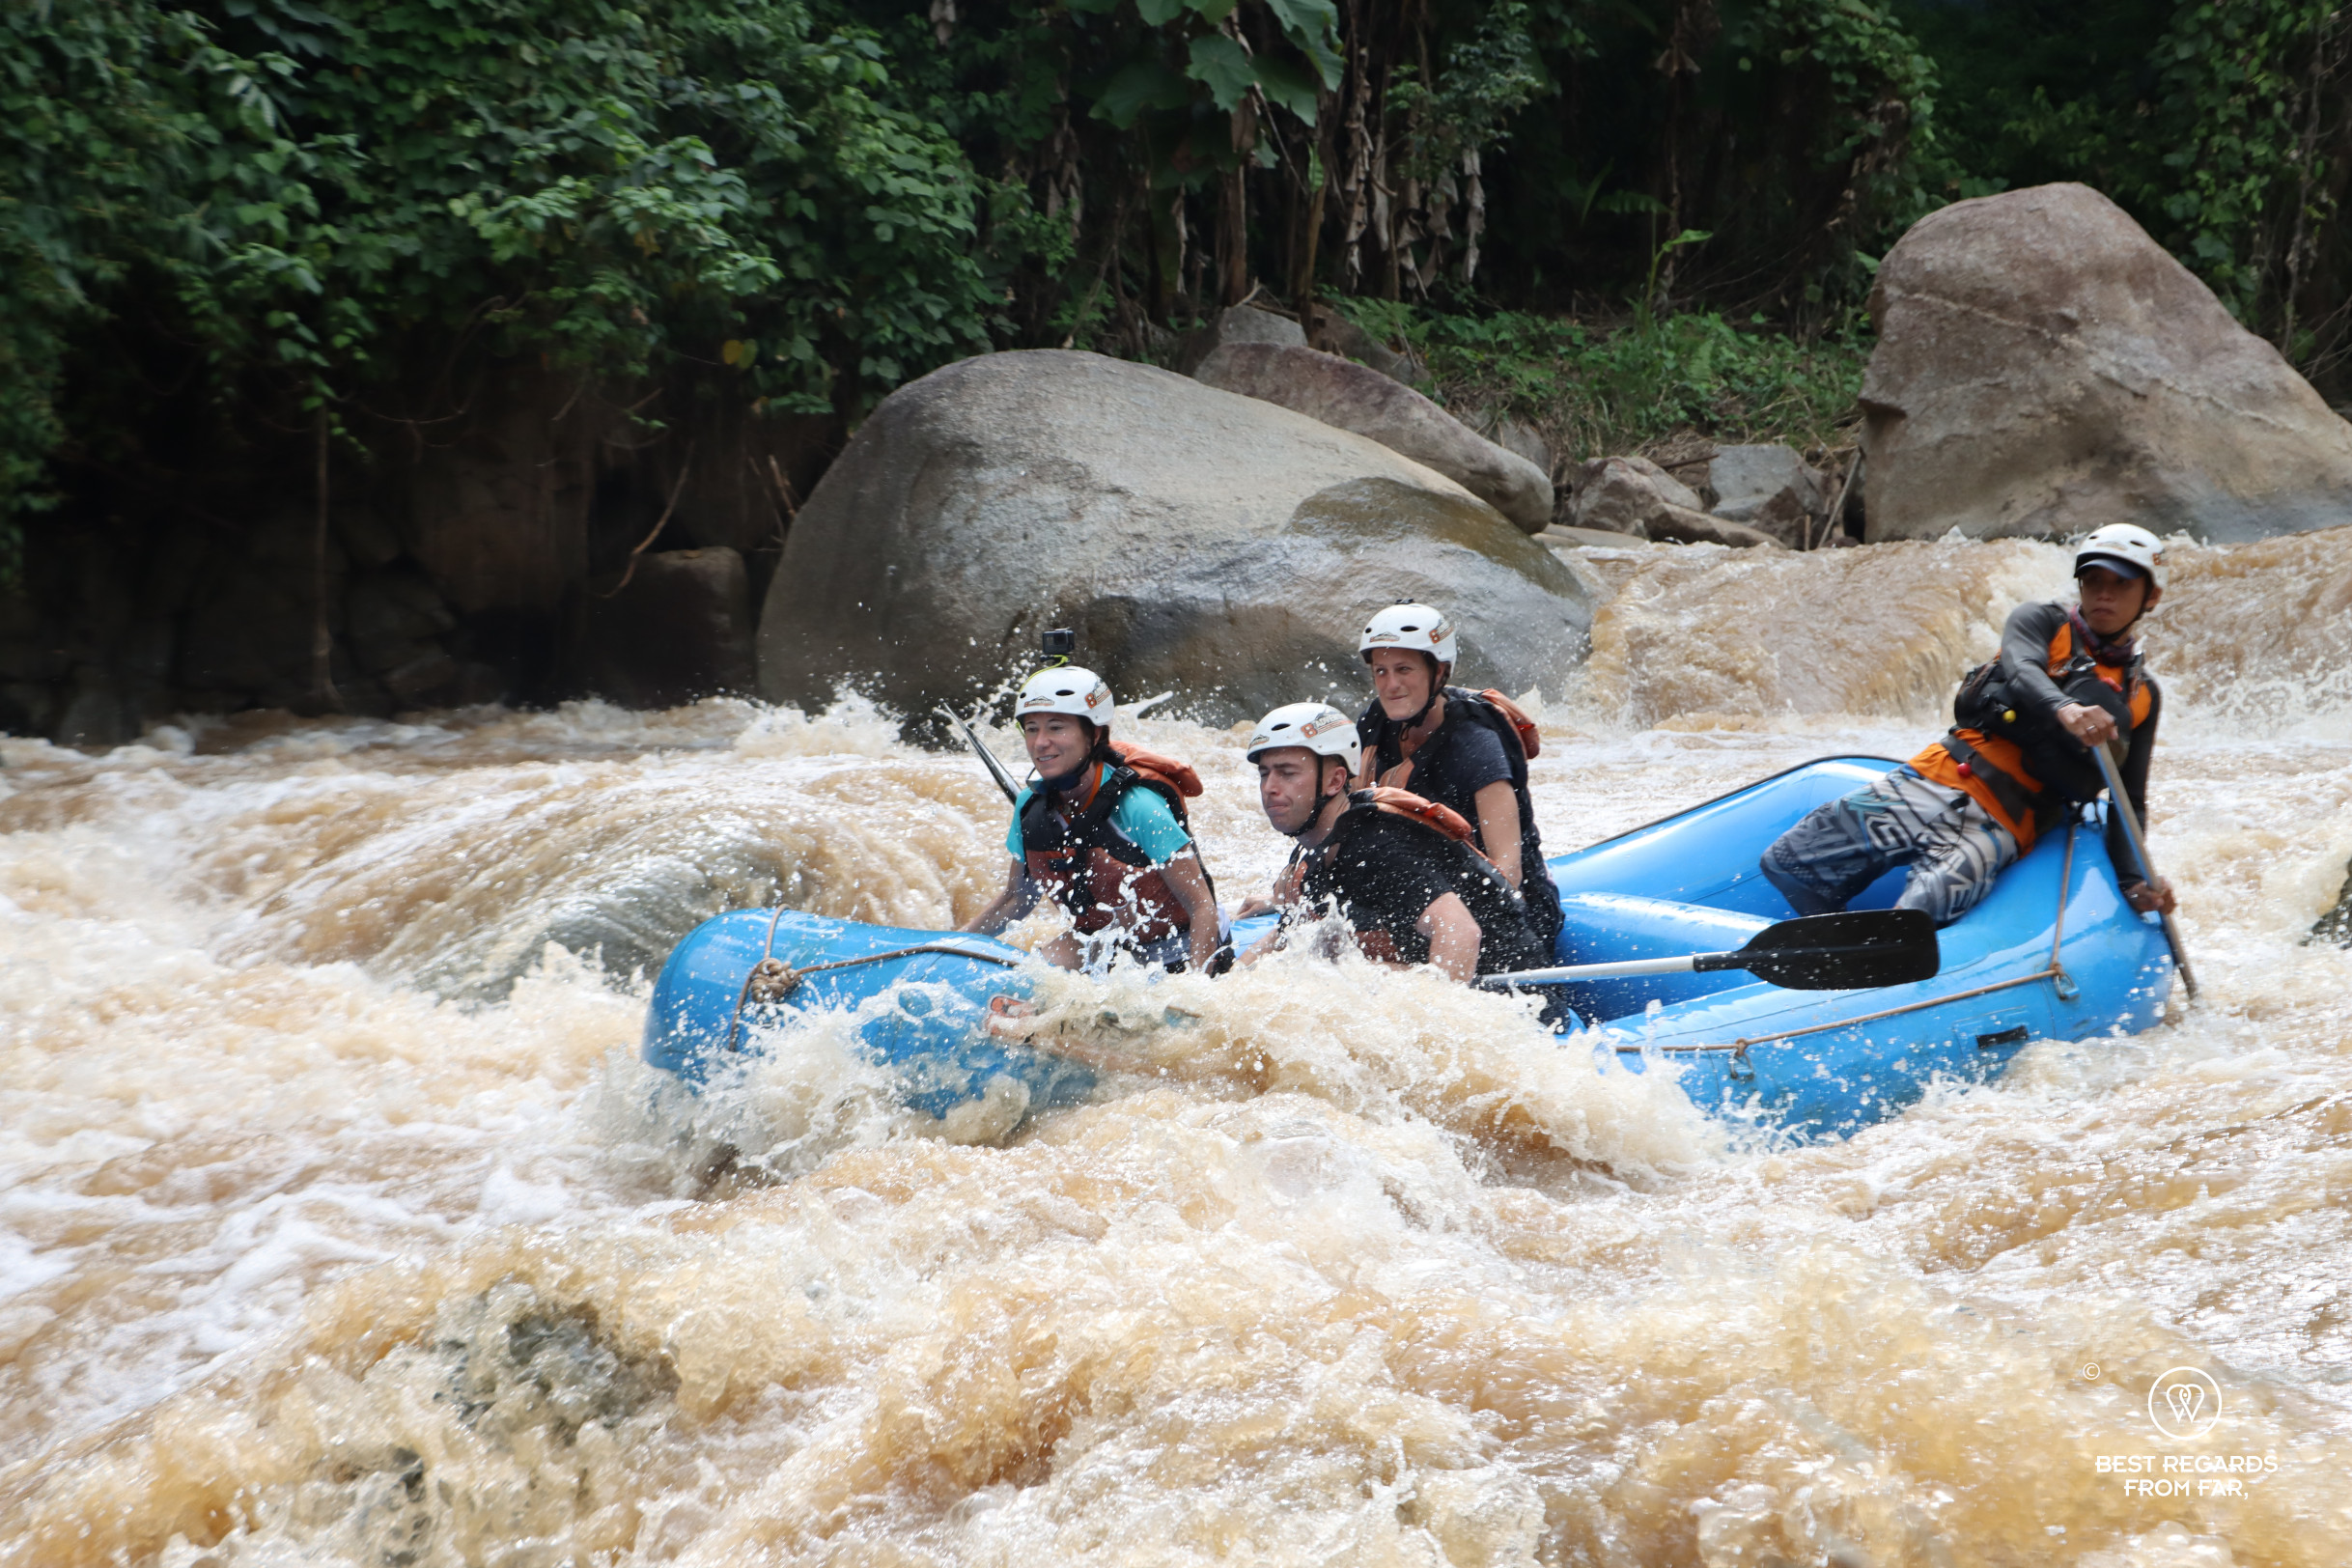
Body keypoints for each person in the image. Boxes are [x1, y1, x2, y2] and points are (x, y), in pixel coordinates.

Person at [1758, 523, 2177, 925]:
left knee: (1914, 920)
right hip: (1930, 779)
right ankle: (1836, 946)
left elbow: (2130, 800)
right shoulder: (2042, 621)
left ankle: (1882, 968)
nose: (2104, 594)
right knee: (1788, 862)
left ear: (2151, 595)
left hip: (1997, 825)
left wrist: (2133, 880)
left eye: (2121, 583)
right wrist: (2064, 707)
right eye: (2093, 581)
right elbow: (2021, 668)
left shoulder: (2143, 696)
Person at [1242, 701, 1550, 982]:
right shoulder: (1312, 853)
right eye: (1264, 773)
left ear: (1335, 781)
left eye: (1287, 773)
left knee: (1327, 973)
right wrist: (1230, 983)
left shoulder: (1379, 845)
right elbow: (1286, 939)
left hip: (1512, 994)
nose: (1269, 787)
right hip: (1435, 973)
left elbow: (1461, 932)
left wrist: (1428, 1033)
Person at [964, 665, 1222, 972]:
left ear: (1094, 734)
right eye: (1032, 728)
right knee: (1028, 980)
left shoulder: (1138, 807)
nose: (1040, 742)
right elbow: (1017, 899)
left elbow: (1202, 907)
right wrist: (948, 947)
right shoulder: (1028, 805)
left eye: (1056, 727)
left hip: (1175, 948)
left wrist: (1196, 990)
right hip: (1099, 943)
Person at [1352, 602, 1564, 953]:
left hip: (1509, 919)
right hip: (1428, 897)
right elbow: (1344, 825)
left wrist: (1430, 921)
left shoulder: (1476, 746)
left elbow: (1507, 873)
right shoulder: (1375, 722)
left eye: (1404, 669)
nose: (1390, 685)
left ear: (1439, 672)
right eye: (1381, 671)